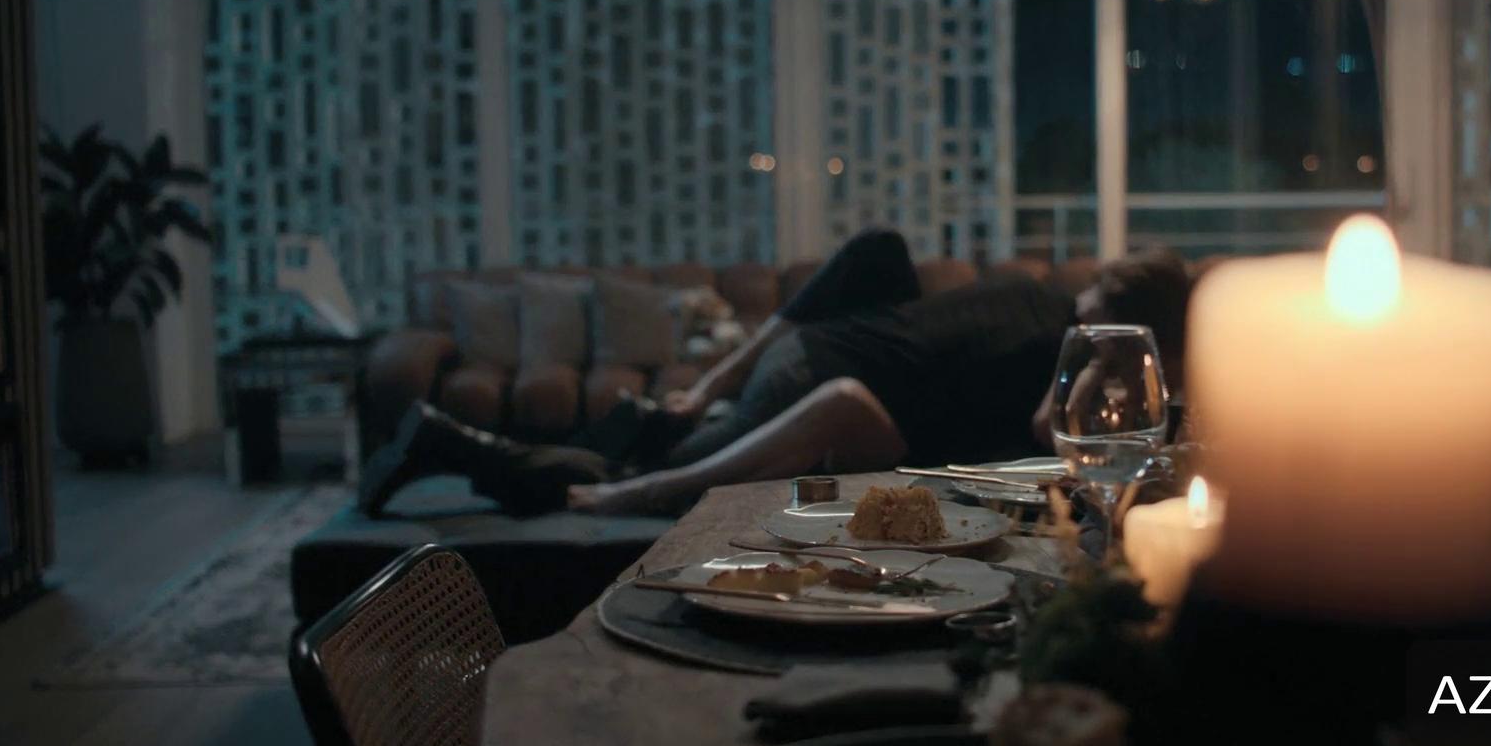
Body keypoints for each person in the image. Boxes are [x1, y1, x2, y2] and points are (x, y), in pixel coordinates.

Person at [359, 228, 1190, 516]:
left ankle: (682, 415)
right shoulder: (1072, 349)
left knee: (881, 253)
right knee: (624, 485)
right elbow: (1051, 434)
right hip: (813, 396)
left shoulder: (1020, 290)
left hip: (796, 359)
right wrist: (1108, 368)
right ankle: (449, 445)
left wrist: (712, 386)